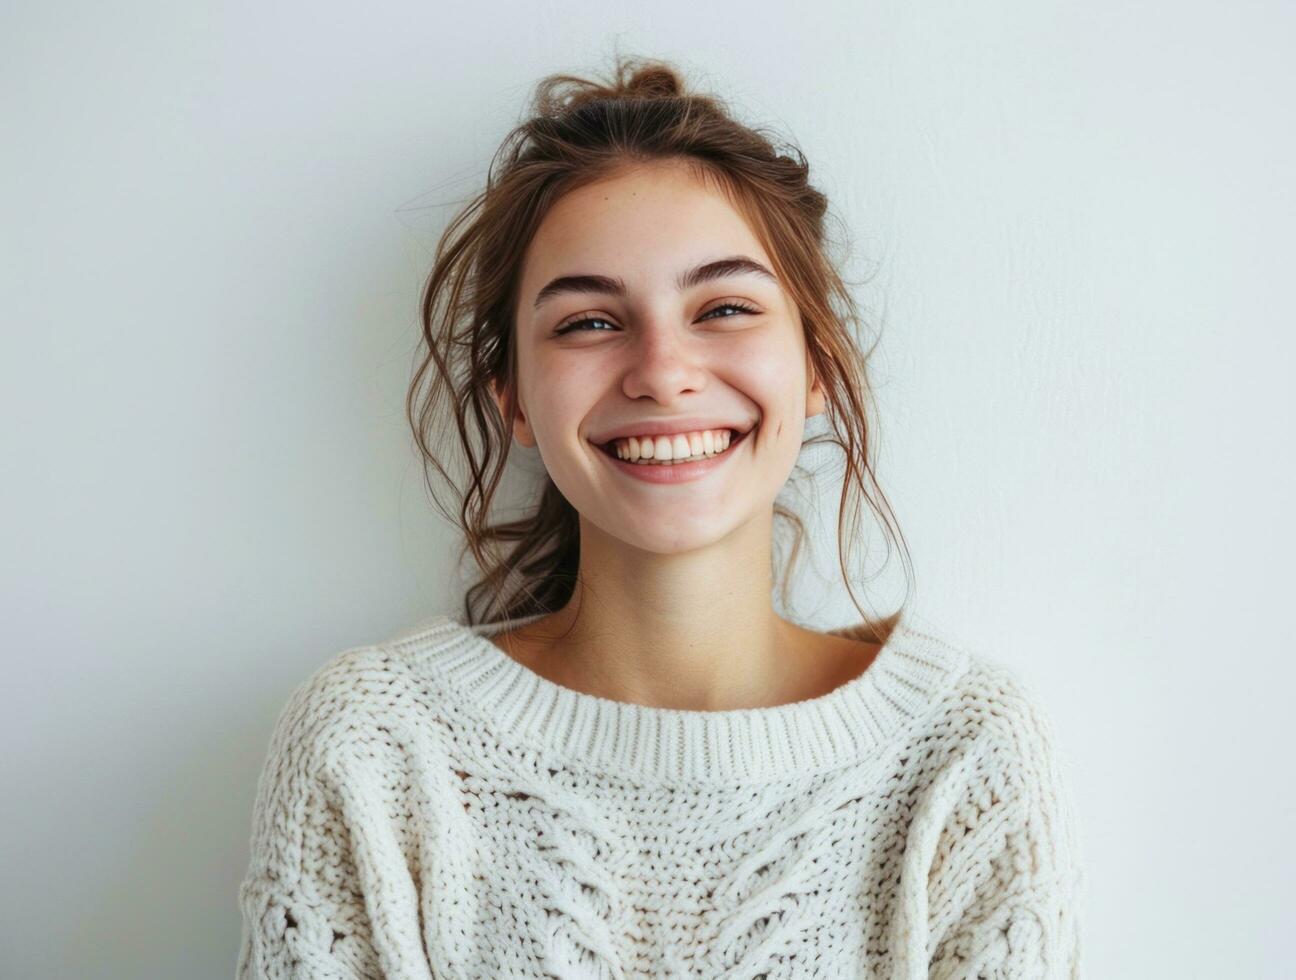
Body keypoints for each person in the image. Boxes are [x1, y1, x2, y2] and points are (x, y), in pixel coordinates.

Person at [236, 54, 1084, 978]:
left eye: (722, 307)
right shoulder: (375, 752)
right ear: (513, 399)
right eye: (589, 323)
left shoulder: (962, 754)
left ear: (816, 372)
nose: (662, 370)